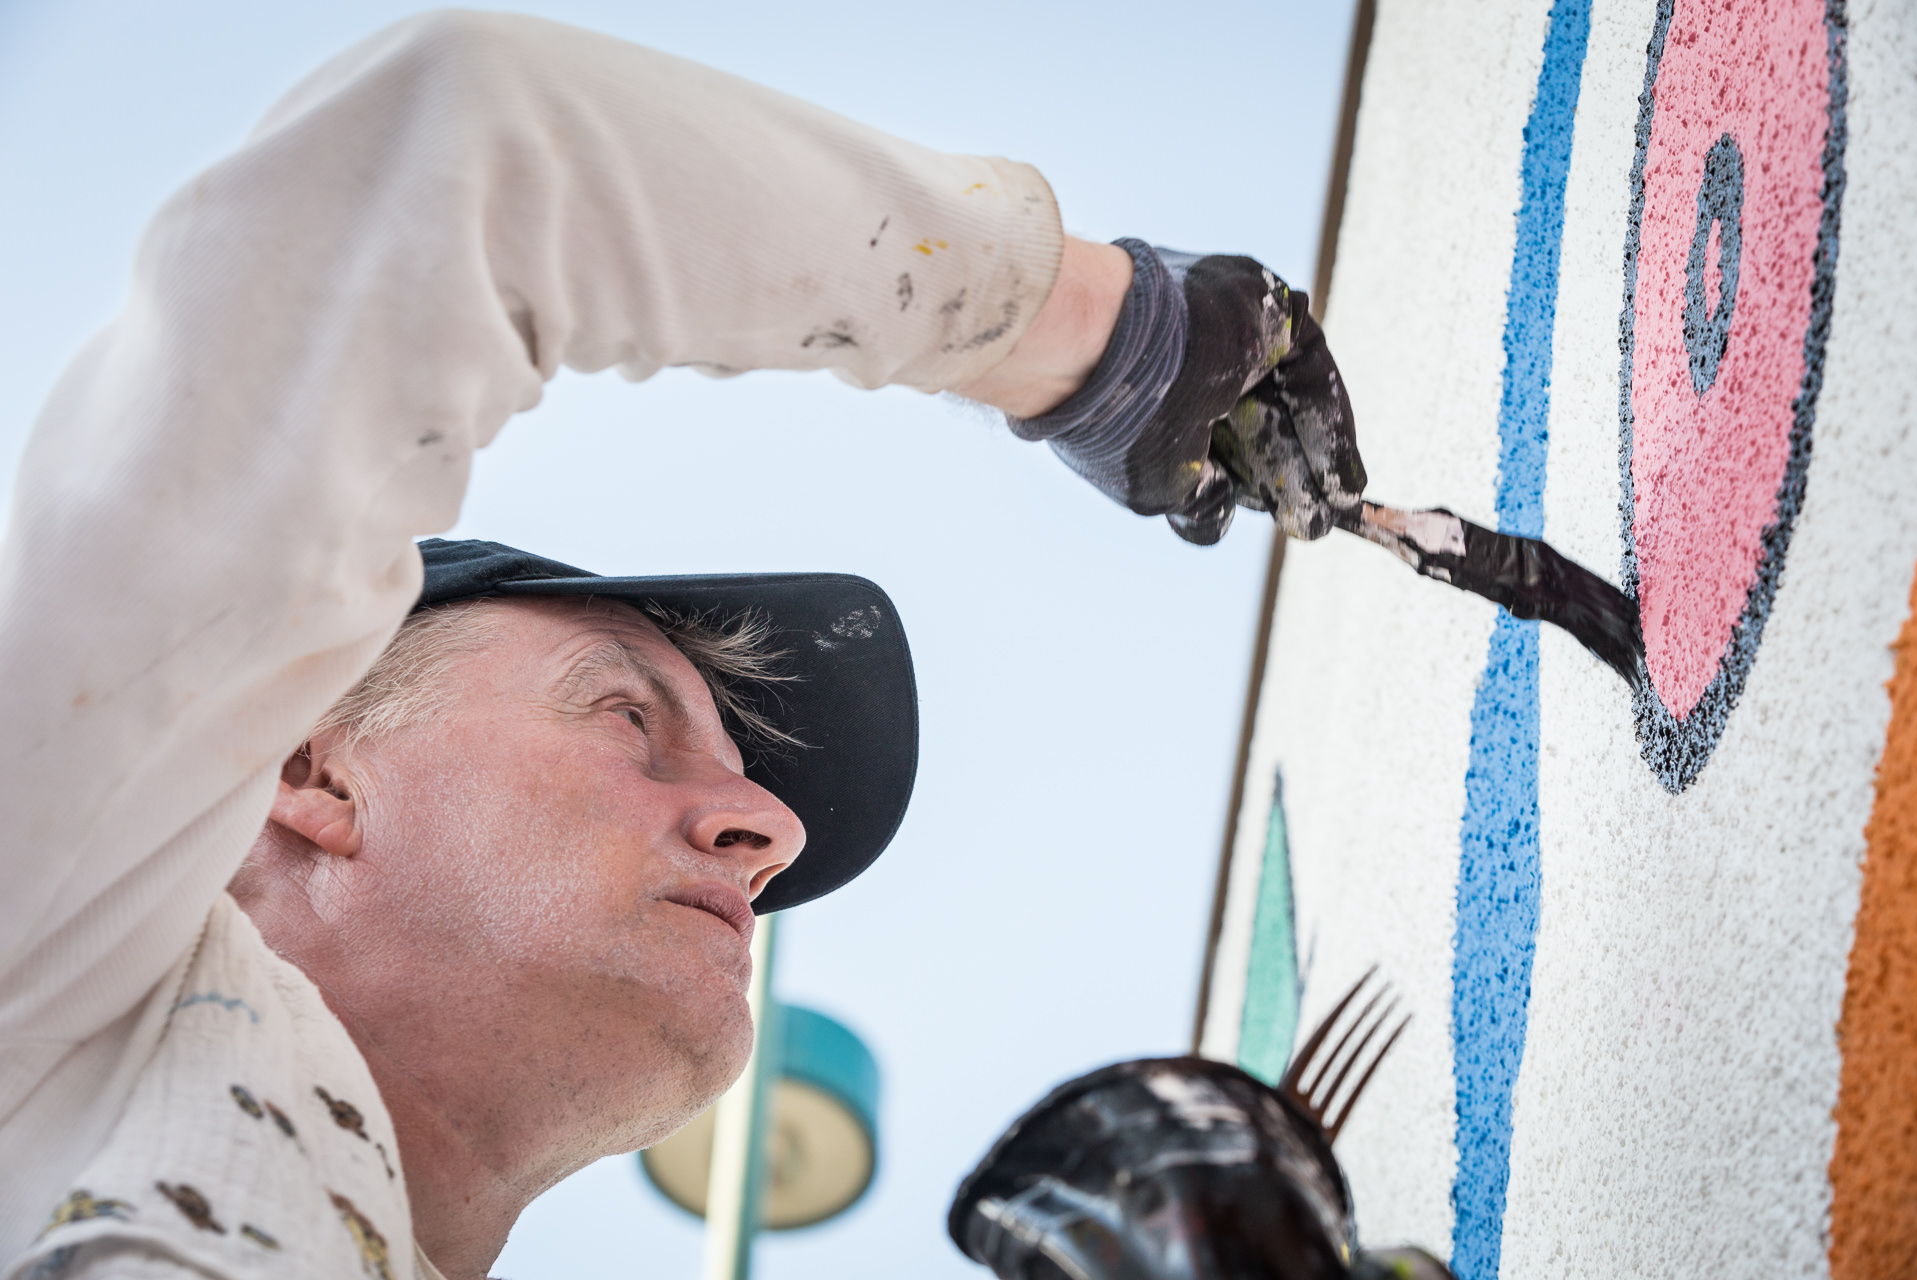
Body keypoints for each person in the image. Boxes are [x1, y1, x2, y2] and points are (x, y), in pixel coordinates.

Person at [0, 11, 1365, 1279]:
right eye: (626, 714)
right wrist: (1094, 333)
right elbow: (445, 155)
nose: (769, 829)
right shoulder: (50, 913)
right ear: (310, 768)